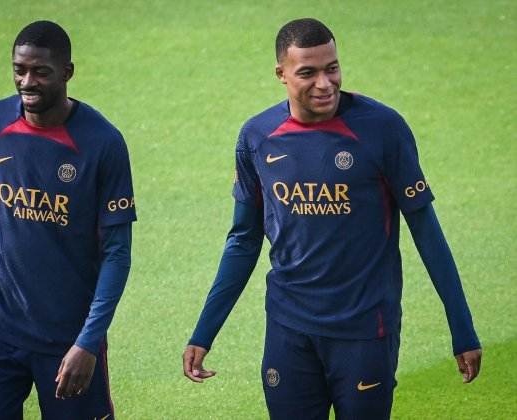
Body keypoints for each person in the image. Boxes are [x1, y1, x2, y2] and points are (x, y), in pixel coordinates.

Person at [182, 18, 481, 419]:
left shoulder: (382, 129)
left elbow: (426, 230)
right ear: (281, 74)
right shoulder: (257, 138)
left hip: (365, 331)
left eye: (332, 68)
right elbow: (243, 240)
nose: (325, 83)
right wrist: (205, 331)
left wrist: (461, 327)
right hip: (289, 330)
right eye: (308, 72)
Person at [0, 20, 136, 419]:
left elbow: (117, 254)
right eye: (19, 69)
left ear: (67, 73)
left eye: (40, 72)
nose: (27, 81)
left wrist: (88, 342)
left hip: (68, 339)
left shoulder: (102, 143)